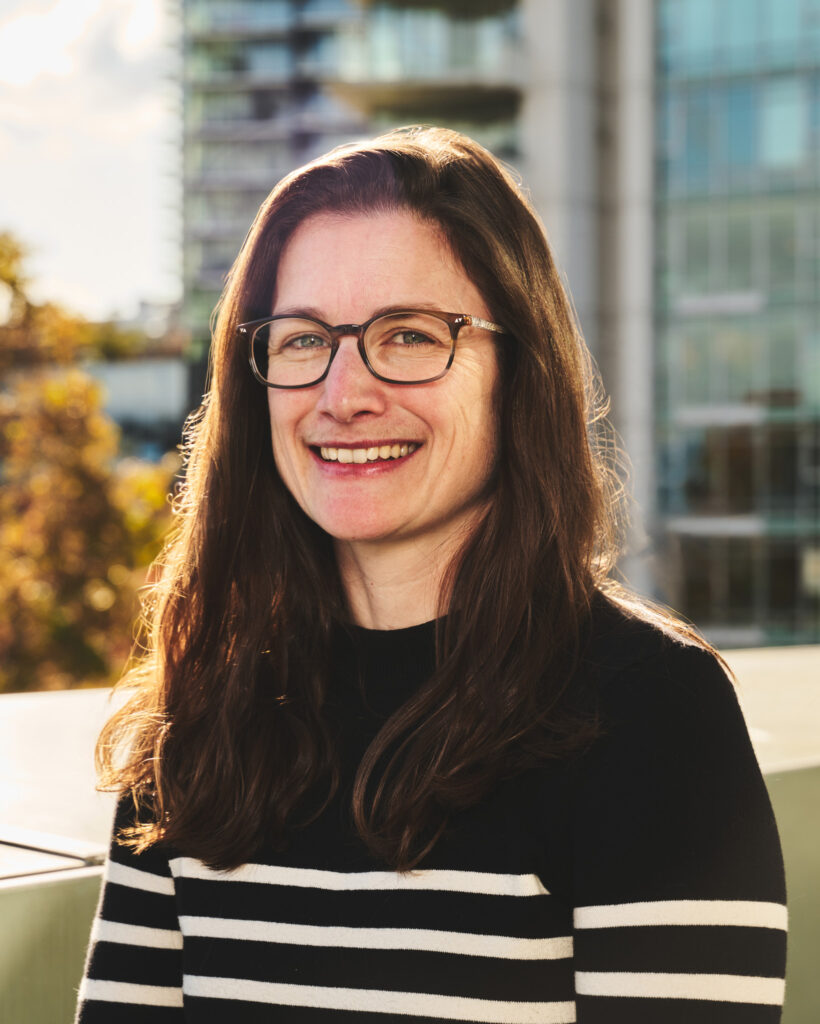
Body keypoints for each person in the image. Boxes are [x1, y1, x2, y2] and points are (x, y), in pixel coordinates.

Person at [75, 126, 787, 1023]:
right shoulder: (203, 709)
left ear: (517, 372)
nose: (344, 393)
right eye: (302, 341)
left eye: (408, 336)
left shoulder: (651, 711)